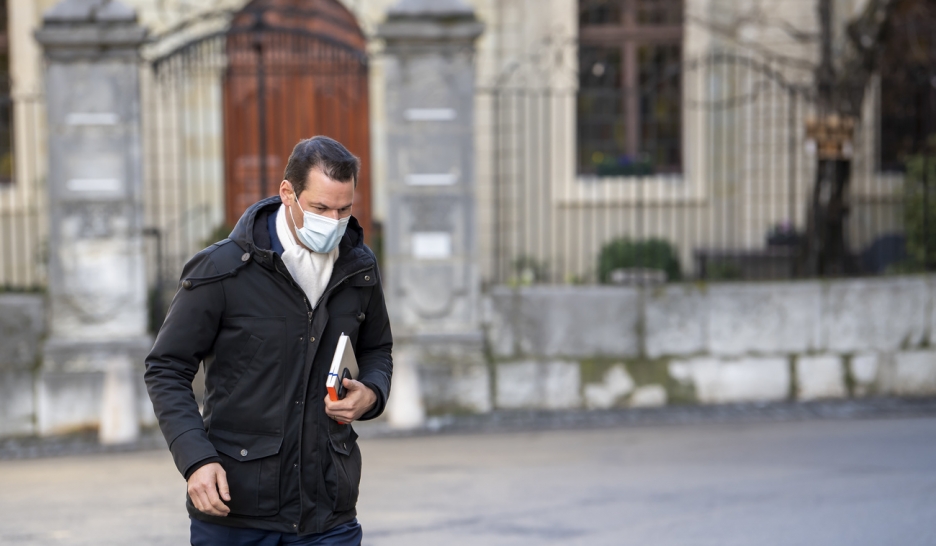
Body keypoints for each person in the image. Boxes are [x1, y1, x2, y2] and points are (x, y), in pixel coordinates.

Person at [144, 136, 392, 545]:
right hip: (236, 512)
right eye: (320, 208)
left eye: (344, 210)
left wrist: (372, 393)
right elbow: (166, 367)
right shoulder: (221, 269)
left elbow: (377, 348)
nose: (333, 221)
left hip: (329, 512)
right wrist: (195, 461)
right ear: (287, 194)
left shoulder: (359, 268)